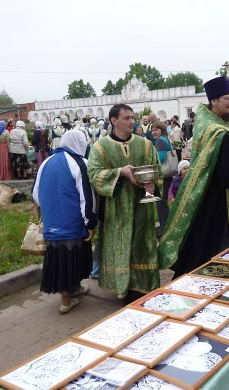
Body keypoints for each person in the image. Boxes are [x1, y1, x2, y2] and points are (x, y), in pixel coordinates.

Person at [158, 76, 229, 277]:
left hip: (226, 193)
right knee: (208, 243)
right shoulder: (207, 123)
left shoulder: (220, 122)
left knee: (221, 242)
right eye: (227, 98)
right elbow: (225, 141)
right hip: (210, 193)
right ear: (214, 101)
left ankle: (224, 275)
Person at [87, 103, 161, 301]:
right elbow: (93, 174)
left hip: (141, 207)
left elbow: (157, 169)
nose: (132, 121)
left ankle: (143, 287)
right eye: (127, 118)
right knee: (121, 247)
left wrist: (152, 184)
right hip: (116, 209)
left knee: (141, 247)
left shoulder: (145, 144)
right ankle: (123, 289)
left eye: (132, 117)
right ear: (114, 121)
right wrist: (120, 172)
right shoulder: (100, 147)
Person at [32, 130, 96, 315]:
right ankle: (67, 299)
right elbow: (87, 196)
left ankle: (73, 289)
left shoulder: (46, 162)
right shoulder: (80, 163)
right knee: (72, 257)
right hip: (73, 221)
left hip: (53, 220)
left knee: (59, 258)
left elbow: (36, 193)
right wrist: (90, 222)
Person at [151, 120, 174, 237]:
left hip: (163, 176)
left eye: (156, 130)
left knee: (160, 204)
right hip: (169, 175)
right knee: (163, 203)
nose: (154, 132)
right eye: (152, 130)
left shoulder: (160, 141)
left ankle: (165, 229)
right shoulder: (166, 139)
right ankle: (168, 227)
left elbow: (160, 157)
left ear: (162, 130)